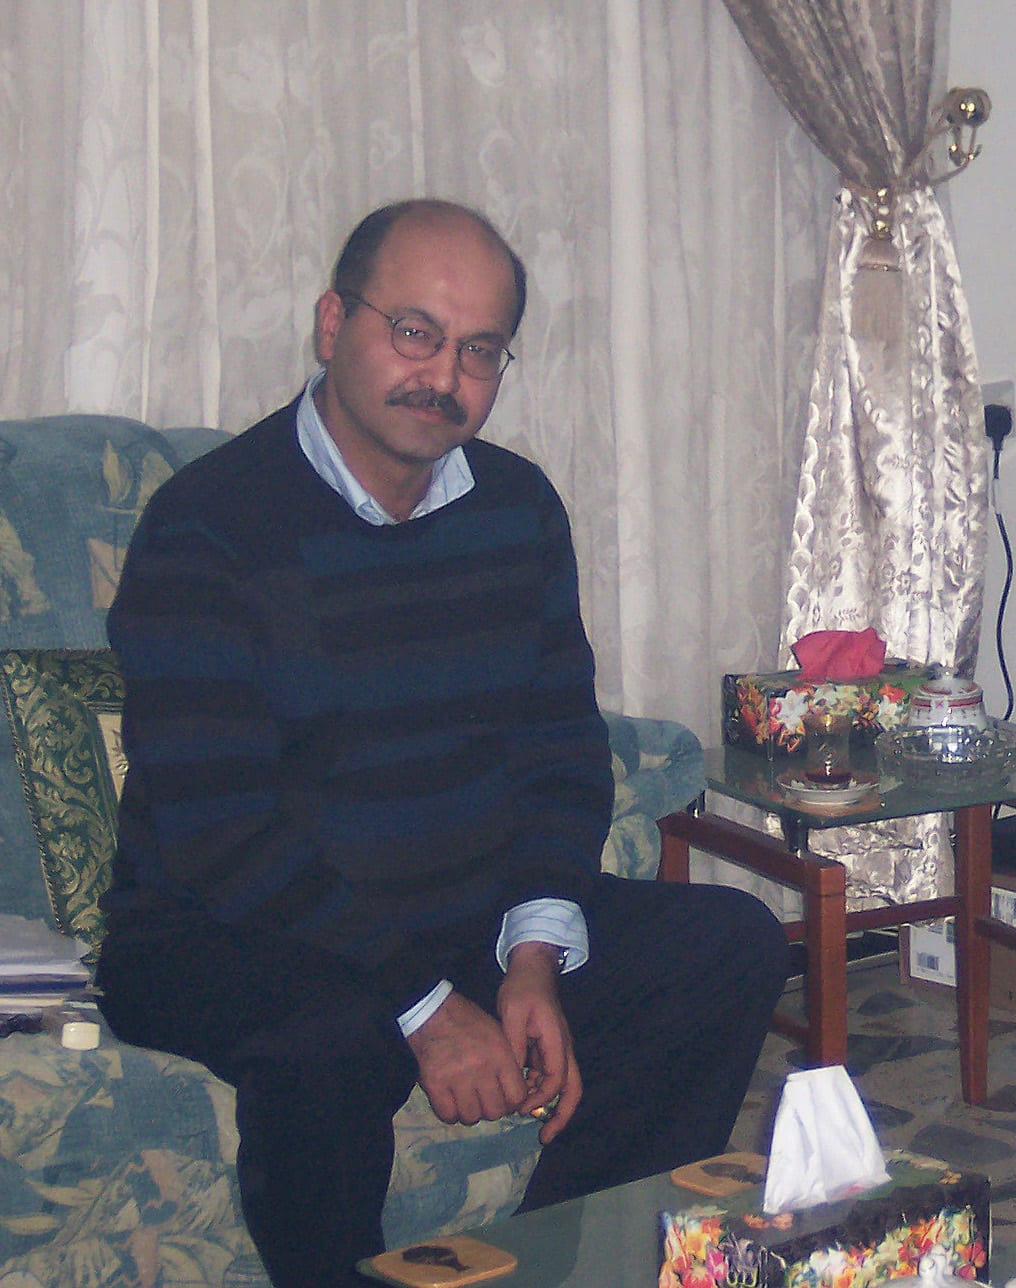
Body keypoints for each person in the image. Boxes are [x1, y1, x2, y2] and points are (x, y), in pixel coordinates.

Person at [94, 199, 789, 1286]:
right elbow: (219, 829)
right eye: (413, 331)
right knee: (331, 1043)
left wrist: (530, 957)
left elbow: (560, 751)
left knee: (728, 942)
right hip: (220, 928)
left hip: (454, 915)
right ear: (333, 324)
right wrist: (423, 1005)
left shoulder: (517, 508)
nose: (443, 375)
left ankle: (568, 1262)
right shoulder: (209, 527)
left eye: (479, 350)